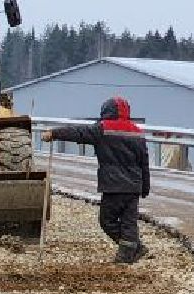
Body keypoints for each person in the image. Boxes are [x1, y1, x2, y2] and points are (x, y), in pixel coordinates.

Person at [43, 97, 152, 263]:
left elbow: (77, 132)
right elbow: (144, 162)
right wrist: (145, 187)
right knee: (129, 222)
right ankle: (133, 250)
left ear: (106, 111)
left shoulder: (102, 129)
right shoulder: (137, 132)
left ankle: (128, 254)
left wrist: (55, 133)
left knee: (107, 221)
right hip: (133, 187)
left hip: (113, 186)